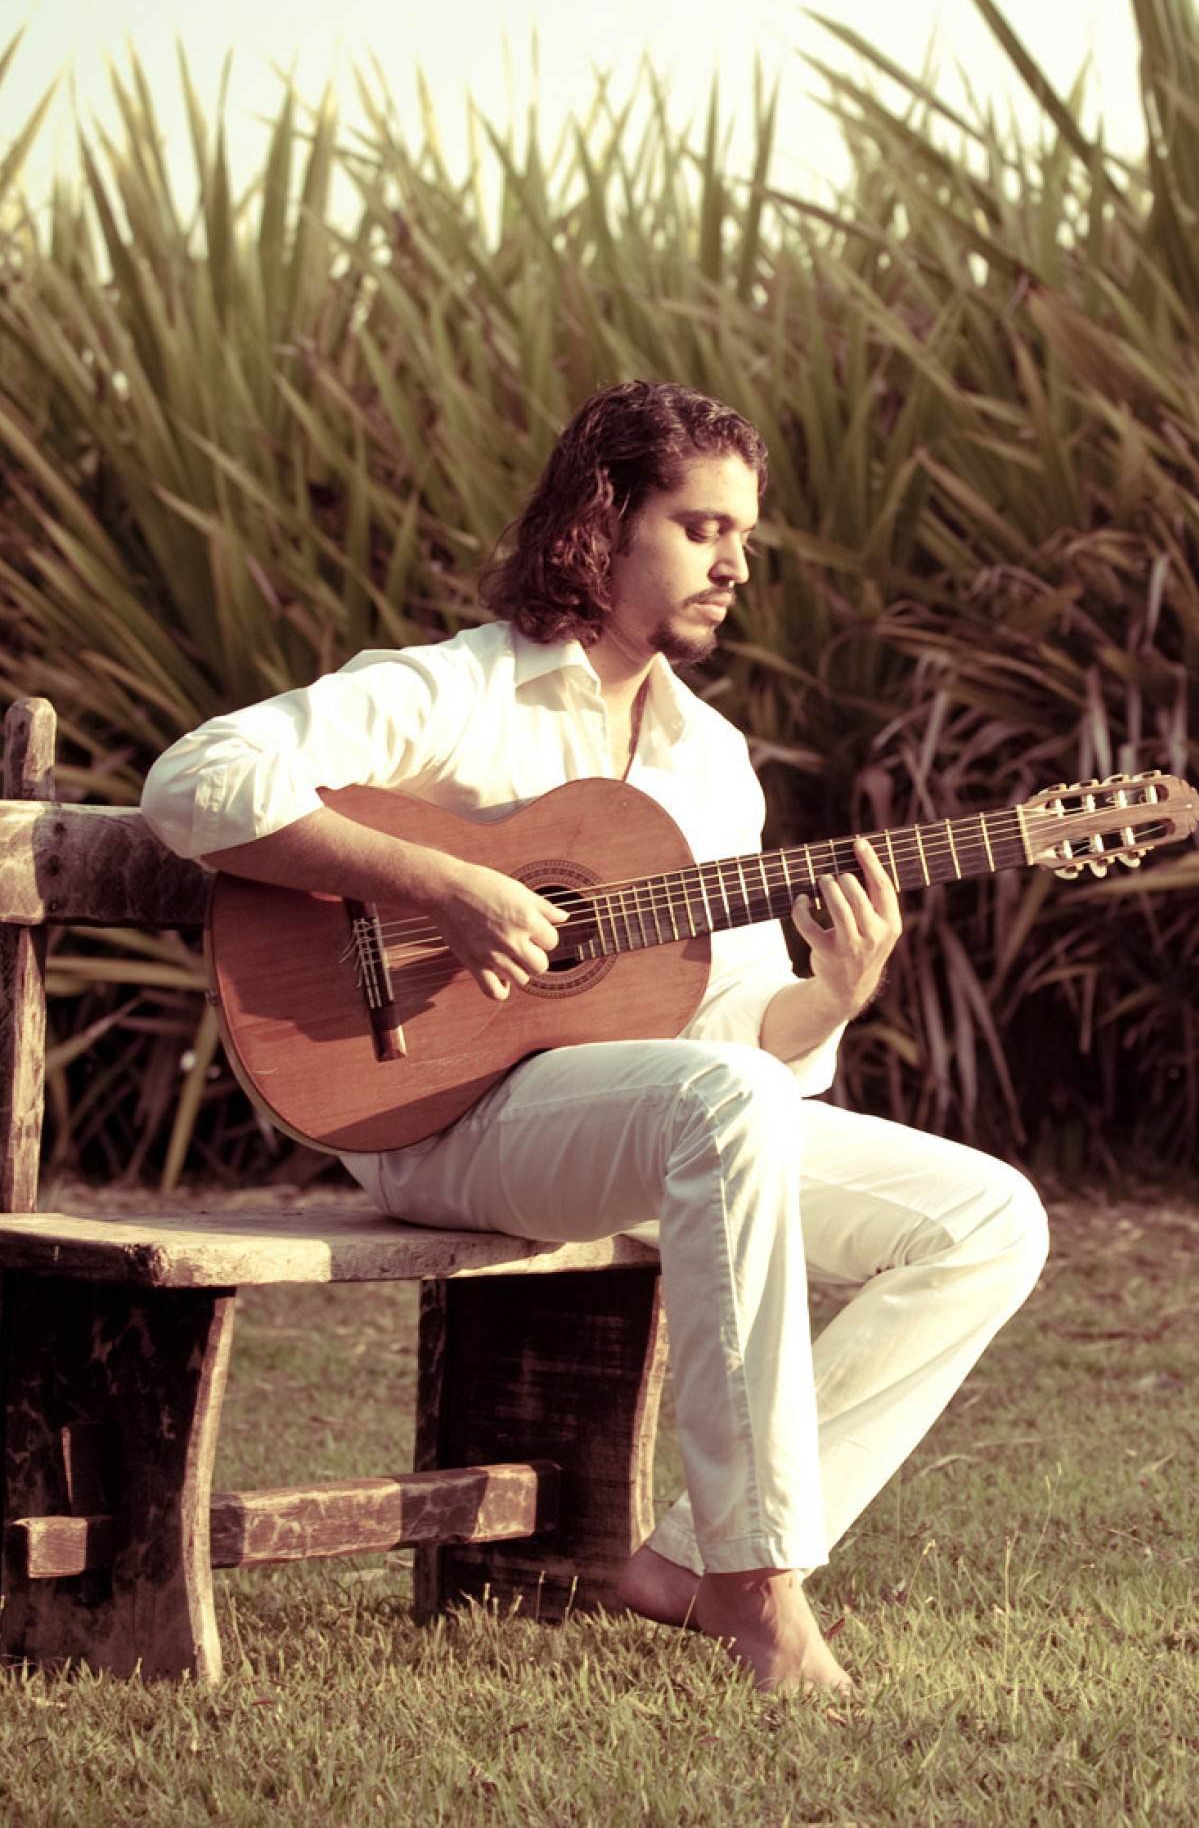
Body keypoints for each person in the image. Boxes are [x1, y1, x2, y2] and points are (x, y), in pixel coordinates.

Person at [139, 379, 1050, 1694]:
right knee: (728, 1104)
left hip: (618, 1122)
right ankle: (762, 1586)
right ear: (602, 518)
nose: (735, 563)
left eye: (745, 536)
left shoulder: (711, 759)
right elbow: (197, 781)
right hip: (434, 1113)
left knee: (987, 1219)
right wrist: (443, 886)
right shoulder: (462, 691)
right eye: (701, 526)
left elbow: (725, 1027)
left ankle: (685, 1558)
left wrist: (832, 999)